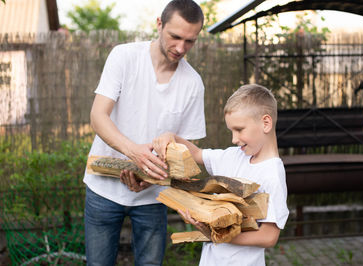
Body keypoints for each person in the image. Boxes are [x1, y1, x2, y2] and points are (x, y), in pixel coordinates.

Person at [84, 1, 205, 265]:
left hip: (153, 197)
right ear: (159, 24)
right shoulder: (124, 56)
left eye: (190, 41)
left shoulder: (193, 83)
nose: (181, 48)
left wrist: (151, 177)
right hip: (103, 189)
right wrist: (134, 153)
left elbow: (186, 150)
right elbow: (98, 116)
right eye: (175, 37)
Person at [153, 84, 289, 266]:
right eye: (231, 131)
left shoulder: (272, 174)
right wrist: (171, 137)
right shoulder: (233, 155)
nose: (234, 139)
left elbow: (269, 236)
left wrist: (219, 236)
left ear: (266, 123)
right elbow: (197, 154)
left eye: (239, 130)